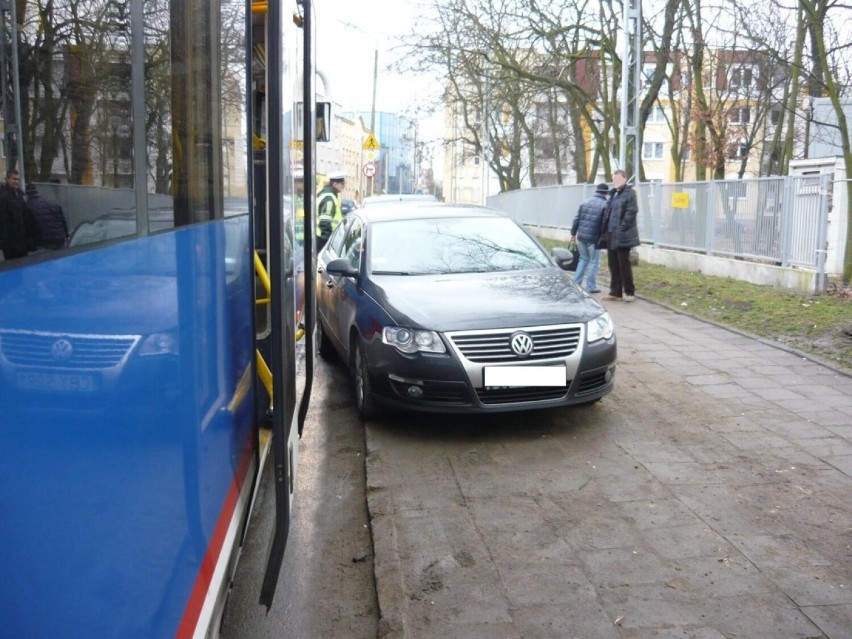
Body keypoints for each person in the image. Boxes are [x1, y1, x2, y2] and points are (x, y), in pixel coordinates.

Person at [600, 169, 640, 302]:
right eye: (613, 179)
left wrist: (622, 227)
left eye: (618, 179)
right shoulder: (612, 194)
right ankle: (615, 292)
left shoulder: (630, 194)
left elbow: (631, 212)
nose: (615, 182)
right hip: (610, 233)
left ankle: (629, 292)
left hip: (623, 234)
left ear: (624, 179)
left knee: (624, 264)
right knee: (613, 264)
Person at [569, 182, 609, 293]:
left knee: (583, 259)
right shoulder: (605, 205)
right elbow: (604, 224)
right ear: (606, 193)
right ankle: (590, 286)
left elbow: (576, 219)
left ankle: (576, 283)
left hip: (581, 236)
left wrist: (573, 233)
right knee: (593, 262)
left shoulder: (584, 202)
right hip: (594, 238)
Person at [0, 169, 38, 260]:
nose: (16, 181)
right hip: (10, 242)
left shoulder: (19, 194)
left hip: (21, 239)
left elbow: (25, 216)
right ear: (7, 179)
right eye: (14, 179)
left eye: (18, 179)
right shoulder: (3, 196)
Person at [25, 183, 69, 250]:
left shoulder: (28, 206)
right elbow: (62, 220)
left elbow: (29, 227)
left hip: (44, 242)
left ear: (27, 194)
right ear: (37, 192)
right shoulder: (52, 203)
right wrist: (66, 235)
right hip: (59, 238)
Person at [316, 170, 346, 251]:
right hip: (323, 240)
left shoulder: (328, 194)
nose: (343, 186)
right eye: (342, 183)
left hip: (321, 238)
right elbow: (324, 222)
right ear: (335, 184)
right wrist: (329, 243)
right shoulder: (329, 198)